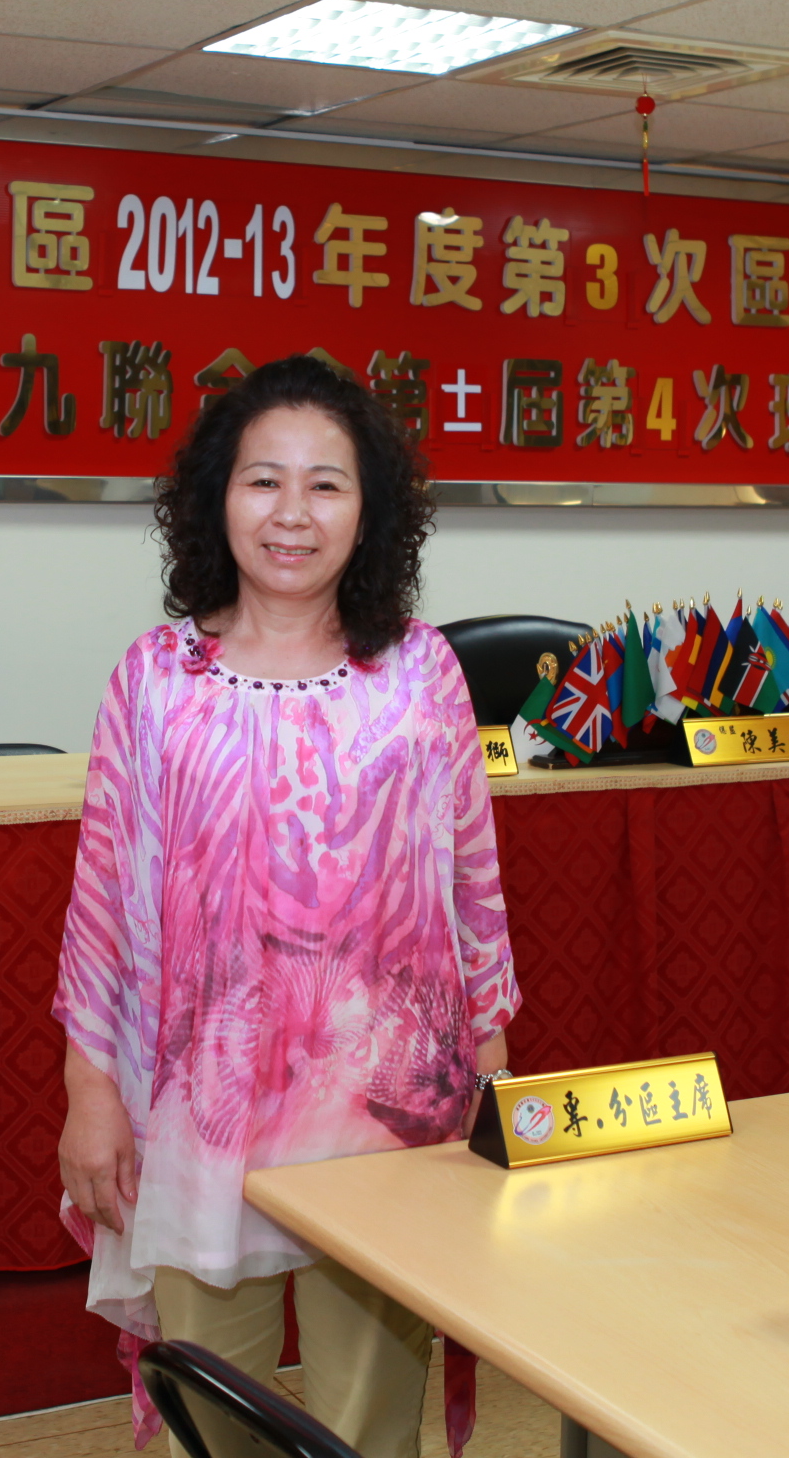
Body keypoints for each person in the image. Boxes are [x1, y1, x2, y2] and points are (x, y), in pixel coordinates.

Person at [53, 355, 519, 1458]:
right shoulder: (156, 677)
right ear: (218, 498)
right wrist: (89, 1089)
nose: (293, 513)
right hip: (204, 1111)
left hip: (390, 1112)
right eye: (264, 480)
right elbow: (104, 897)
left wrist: (492, 1063)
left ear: (371, 509)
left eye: (327, 484)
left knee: (371, 1417)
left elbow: (472, 881)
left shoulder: (420, 672)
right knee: (214, 1410)